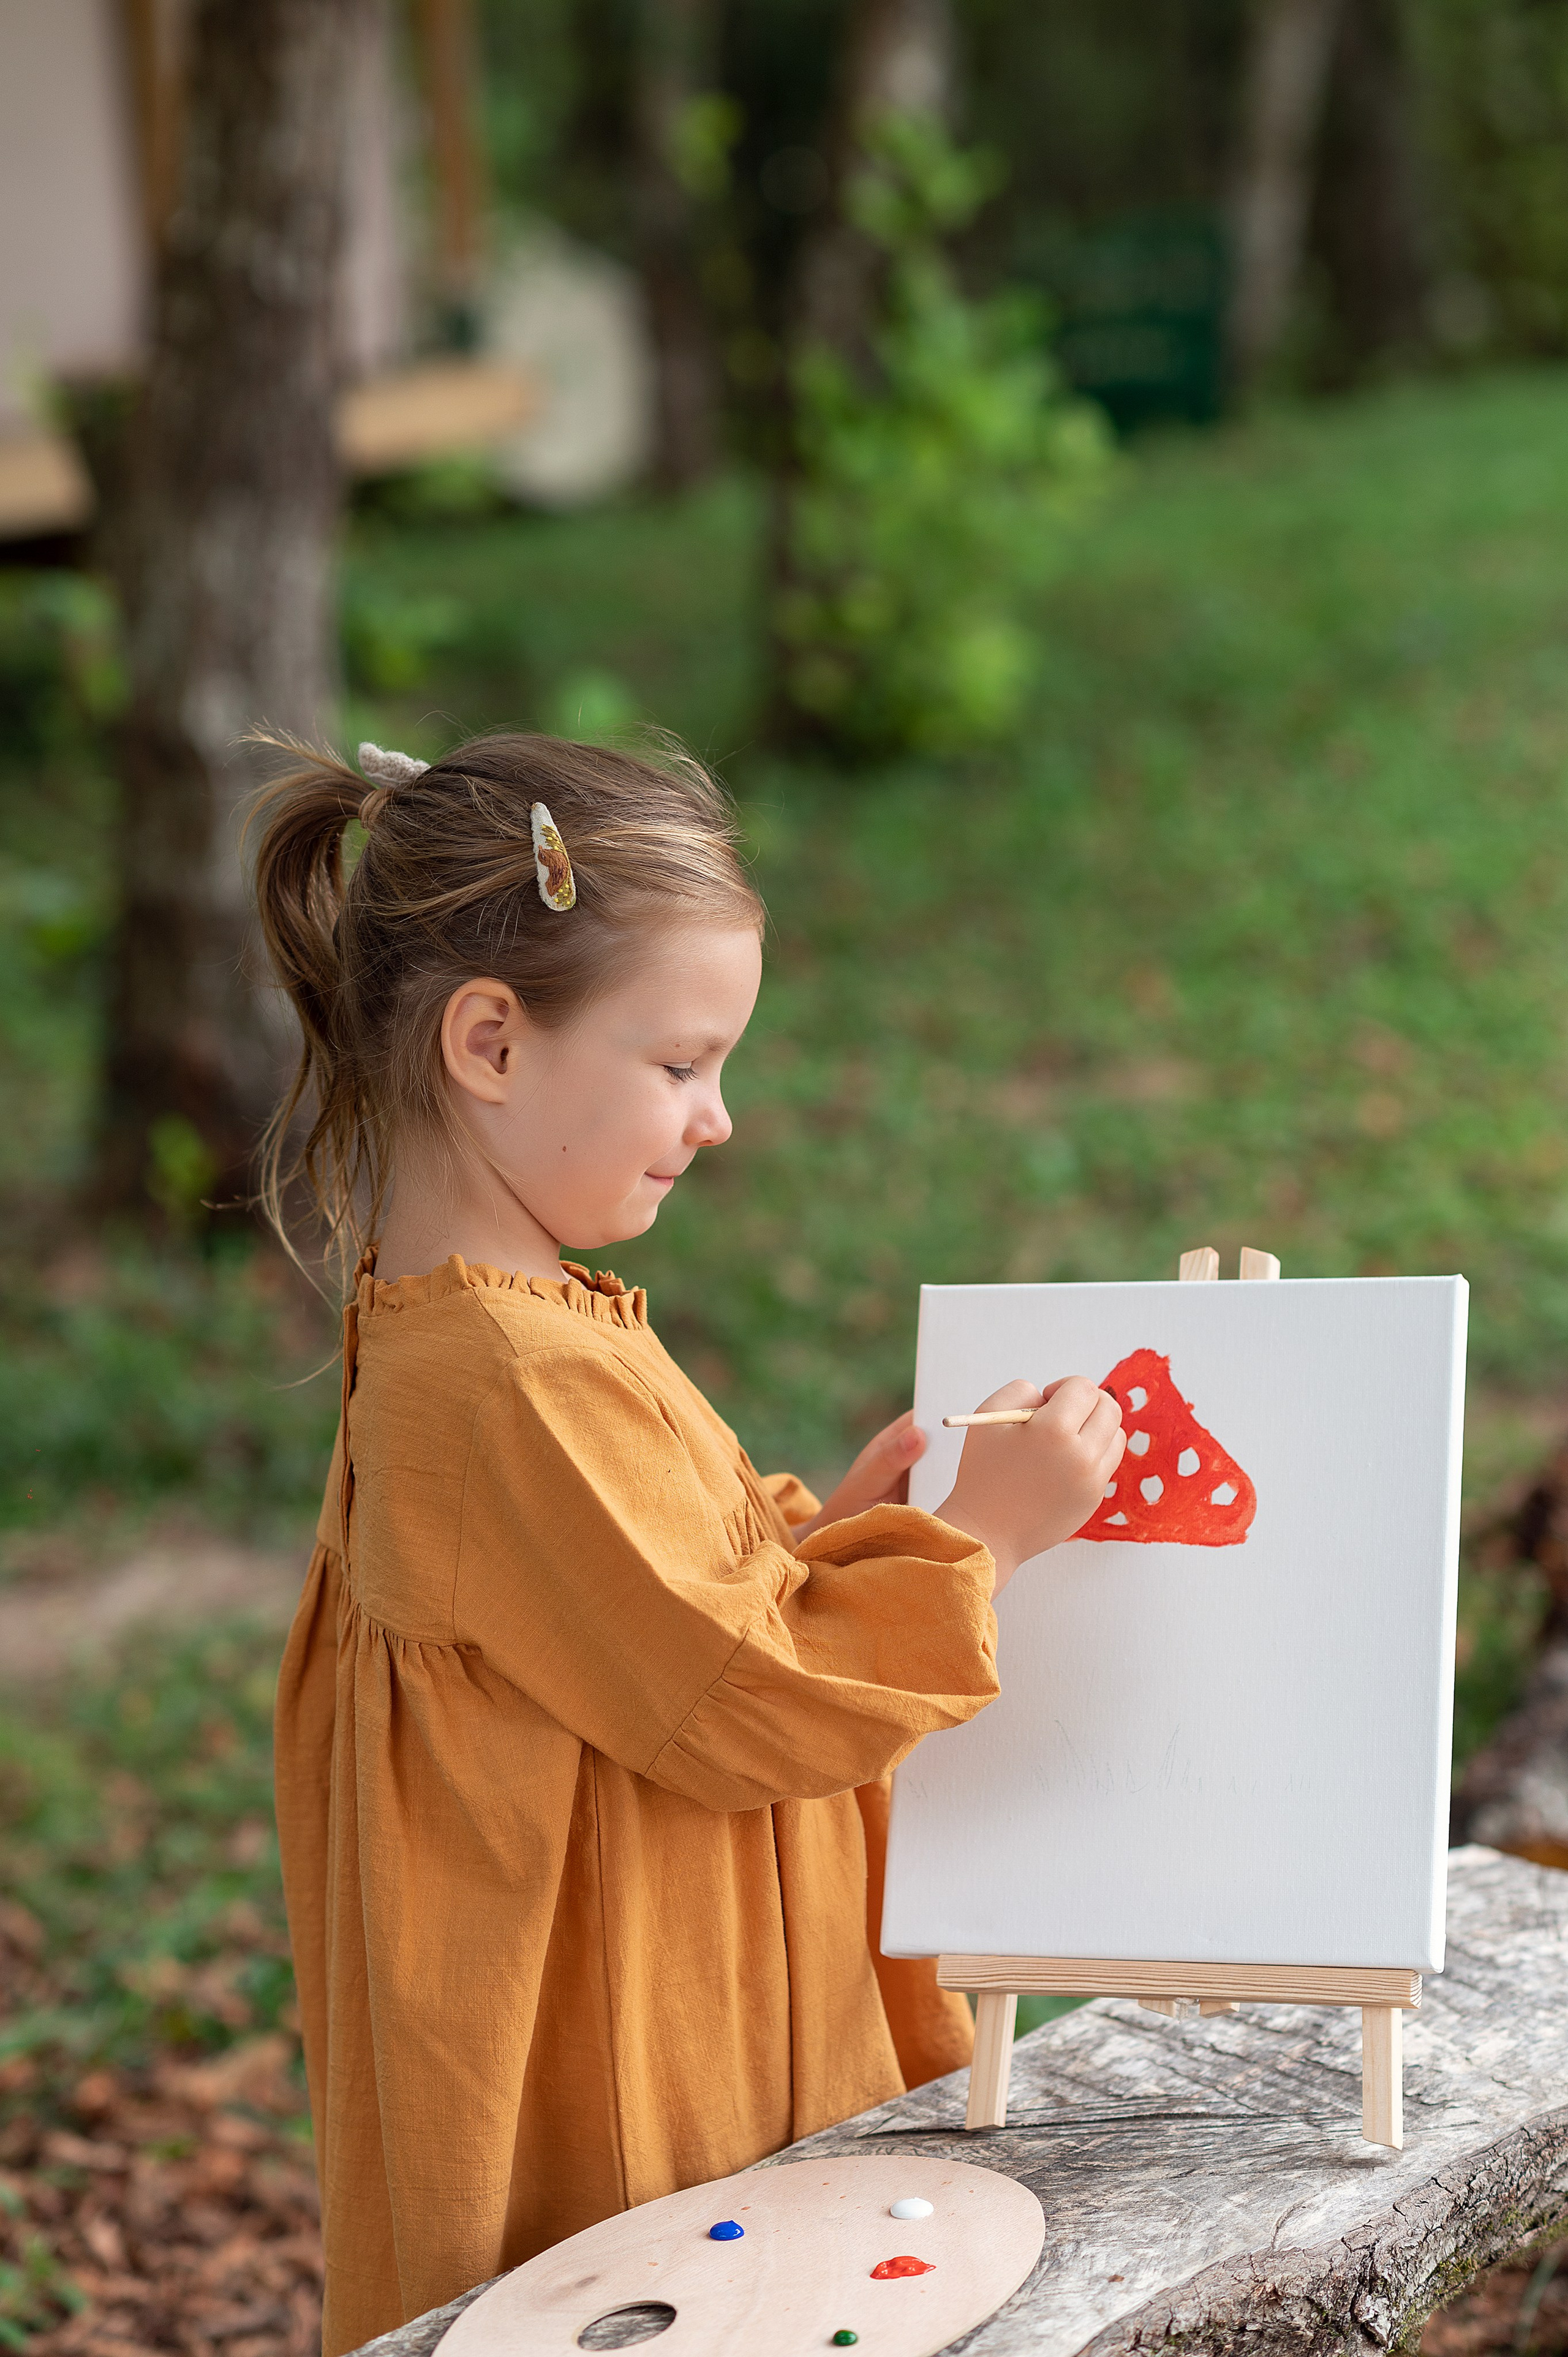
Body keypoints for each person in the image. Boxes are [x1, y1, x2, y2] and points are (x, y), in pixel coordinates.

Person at [254, 731, 1125, 2356]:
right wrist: (981, 1552)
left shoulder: (504, 1325)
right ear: (492, 1043)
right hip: (617, 2039)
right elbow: (732, 1693)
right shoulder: (508, 1374)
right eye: (681, 1062)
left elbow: (633, 1613)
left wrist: (853, 1535)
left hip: (653, 1946)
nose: (717, 1117)